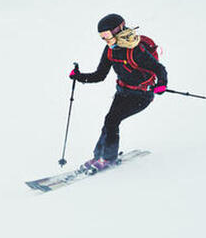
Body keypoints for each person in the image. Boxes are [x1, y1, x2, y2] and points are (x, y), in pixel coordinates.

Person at [69, 13, 168, 172]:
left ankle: (108, 158)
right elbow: (100, 75)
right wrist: (79, 76)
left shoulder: (135, 50)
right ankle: (98, 156)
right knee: (109, 121)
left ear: (119, 29)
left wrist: (162, 84)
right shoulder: (110, 51)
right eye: (102, 36)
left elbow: (159, 69)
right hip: (122, 92)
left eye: (107, 34)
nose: (105, 39)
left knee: (112, 121)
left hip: (142, 95)